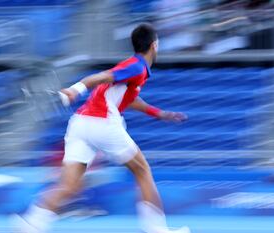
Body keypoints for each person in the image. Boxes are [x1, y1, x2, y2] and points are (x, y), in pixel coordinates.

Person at [13, 23, 190, 233]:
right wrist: (75, 89)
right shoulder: (137, 66)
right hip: (102, 124)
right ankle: (157, 230)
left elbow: (130, 99)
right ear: (155, 45)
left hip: (79, 125)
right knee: (143, 171)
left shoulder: (133, 72)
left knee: (69, 185)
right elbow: (102, 76)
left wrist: (158, 113)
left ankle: (31, 224)